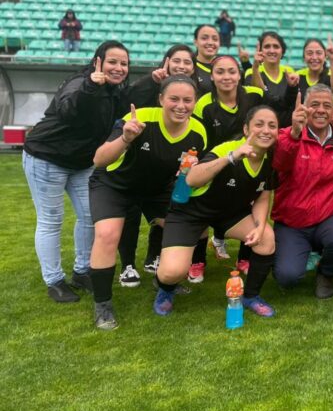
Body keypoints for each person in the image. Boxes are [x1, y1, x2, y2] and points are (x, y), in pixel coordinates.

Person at [88, 76, 206, 330]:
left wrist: (188, 173)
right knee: (107, 234)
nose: (181, 106)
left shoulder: (198, 132)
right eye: (174, 99)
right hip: (114, 185)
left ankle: (165, 280)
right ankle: (102, 304)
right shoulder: (139, 118)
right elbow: (99, 160)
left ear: (195, 102)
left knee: (183, 226)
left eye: (187, 100)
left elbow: (189, 172)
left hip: (157, 189)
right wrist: (125, 138)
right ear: (161, 99)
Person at [23, 42, 130, 303]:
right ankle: (54, 281)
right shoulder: (80, 83)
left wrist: (154, 80)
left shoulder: (115, 91)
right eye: (112, 61)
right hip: (46, 157)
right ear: (97, 62)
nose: (118, 68)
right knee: (51, 221)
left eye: (124, 63)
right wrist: (91, 86)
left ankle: (82, 272)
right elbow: (68, 109)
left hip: (81, 163)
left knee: (90, 217)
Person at [155, 106, 279, 319]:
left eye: (272, 125)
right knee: (171, 272)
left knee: (266, 238)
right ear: (246, 129)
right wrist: (231, 157)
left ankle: (251, 296)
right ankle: (166, 289)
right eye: (259, 124)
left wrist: (259, 226)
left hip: (230, 214)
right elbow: (191, 179)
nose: (266, 130)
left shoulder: (271, 157)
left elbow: (263, 195)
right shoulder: (227, 149)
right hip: (191, 212)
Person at [116, 45, 198, 286]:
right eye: (176, 60)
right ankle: (128, 265)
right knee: (129, 215)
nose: (181, 66)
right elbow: (127, 101)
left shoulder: (193, 92)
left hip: (166, 167)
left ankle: (155, 255)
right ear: (166, 62)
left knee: (168, 214)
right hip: (136, 164)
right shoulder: (151, 84)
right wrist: (150, 81)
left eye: (187, 62)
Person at [271, 85, 333, 297]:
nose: (320, 110)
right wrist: (294, 134)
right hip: (292, 221)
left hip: (328, 217)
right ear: (303, 108)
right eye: (314, 105)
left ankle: (325, 273)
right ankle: (299, 252)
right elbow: (279, 164)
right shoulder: (287, 135)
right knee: (287, 277)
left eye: (327, 106)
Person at [189, 55, 264, 280]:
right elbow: (198, 137)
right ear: (212, 76)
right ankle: (198, 261)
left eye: (232, 71)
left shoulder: (254, 95)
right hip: (215, 162)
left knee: (249, 204)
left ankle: (244, 257)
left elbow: (271, 116)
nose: (226, 77)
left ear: (239, 75)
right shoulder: (203, 104)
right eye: (220, 72)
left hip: (246, 161)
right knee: (200, 206)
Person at [244, 31, 299, 127]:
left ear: (282, 51)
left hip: (287, 130)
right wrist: (255, 67)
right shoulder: (252, 71)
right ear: (260, 51)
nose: (272, 50)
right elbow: (258, 96)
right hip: (263, 129)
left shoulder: (289, 71)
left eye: (276, 46)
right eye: (267, 46)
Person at [192, 24, 221, 94]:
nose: (210, 43)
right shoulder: (189, 67)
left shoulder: (226, 66)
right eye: (204, 38)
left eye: (215, 39)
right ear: (195, 42)